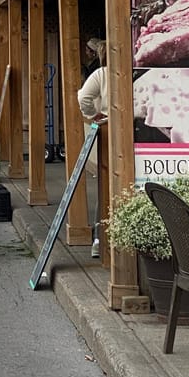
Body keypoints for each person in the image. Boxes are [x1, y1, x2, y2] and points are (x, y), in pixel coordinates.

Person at [78, 40, 107, 259]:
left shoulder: (101, 74)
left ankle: (99, 240)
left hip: (107, 132)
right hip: (141, 134)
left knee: (105, 188)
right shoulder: (136, 72)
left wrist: (92, 115)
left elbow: (83, 98)